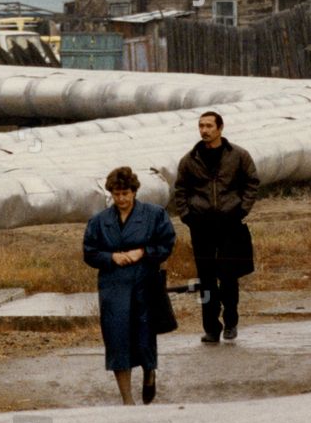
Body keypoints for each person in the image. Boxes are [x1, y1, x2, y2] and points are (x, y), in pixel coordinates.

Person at [83, 166, 176, 405]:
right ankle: (127, 399)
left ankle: (149, 373)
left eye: (125, 193)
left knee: (143, 336)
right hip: (113, 286)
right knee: (116, 339)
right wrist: (110, 257)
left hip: (144, 283)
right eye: (116, 194)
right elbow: (89, 252)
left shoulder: (154, 214)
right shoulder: (100, 222)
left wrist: (143, 252)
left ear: (134, 191)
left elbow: (167, 242)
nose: (121, 199)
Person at [171, 111, 258, 344]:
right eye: (201, 126)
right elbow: (180, 190)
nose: (204, 130)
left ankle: (231, 321)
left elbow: (252, 182)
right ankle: (211, 326)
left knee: (229, 276)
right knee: (206, 280)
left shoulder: (238, 156)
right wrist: (187, 215)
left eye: (209, 126)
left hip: (230, 223)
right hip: (202, 226)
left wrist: (242, 209)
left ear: (220, 128)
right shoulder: (190, 160)